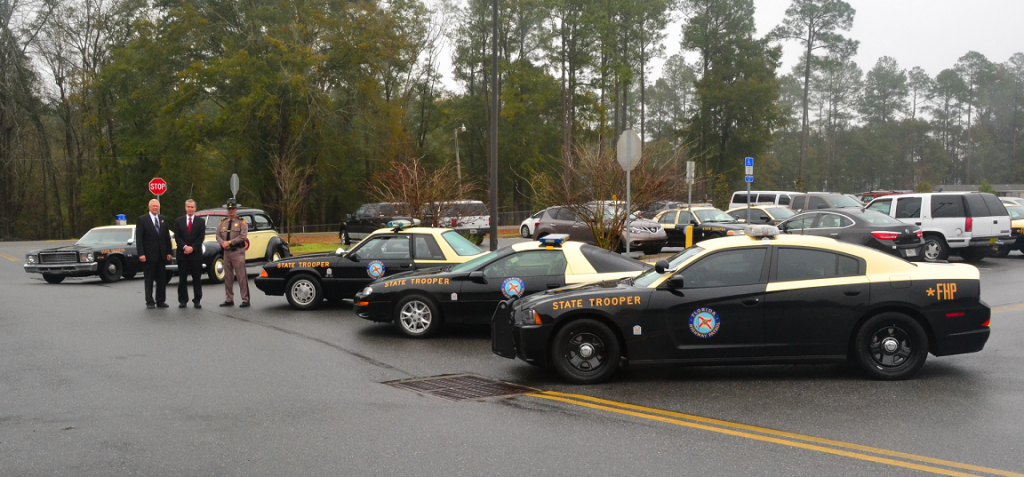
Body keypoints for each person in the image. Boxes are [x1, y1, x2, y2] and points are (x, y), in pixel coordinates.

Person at [136, 198, 173, 309]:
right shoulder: (142, 220)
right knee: (149, 279)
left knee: (162, 279)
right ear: (149, 207)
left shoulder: (163, 219)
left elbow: (167, 237)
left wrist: (168, 252)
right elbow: (139, 239)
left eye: (157, 206)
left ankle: (161, 300)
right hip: (148, 256)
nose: (155, 208)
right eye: (153, 206)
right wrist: (141, 254)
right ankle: (150, 301)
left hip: (161, 255)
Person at [216, 199, 249, 307]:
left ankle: (245, 299)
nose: (231, 211)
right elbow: (217, 235)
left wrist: (230, 242)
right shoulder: (223, 222)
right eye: (229, 209)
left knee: (241, 276)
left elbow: (243, 236)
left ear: (236, 209)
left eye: (233, 209)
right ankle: (229, 299)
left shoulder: (241, 222)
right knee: (228, 277)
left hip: (237, 252)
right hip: (226, 253)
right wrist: (223, 243)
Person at [174, 199, 206, 309]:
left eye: (192, 207)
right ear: (185, 208)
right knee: (182, 278)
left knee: (196, 278)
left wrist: (192, 248)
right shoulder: (179, 221)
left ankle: (197, 300)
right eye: (188, 207)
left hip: (195, 255)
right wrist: (185, 247)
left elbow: (201, 237)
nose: (190, 209)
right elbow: (177, 237)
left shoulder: (201, 222)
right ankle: (183, 300)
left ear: (195, 209)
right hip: (182, 254)